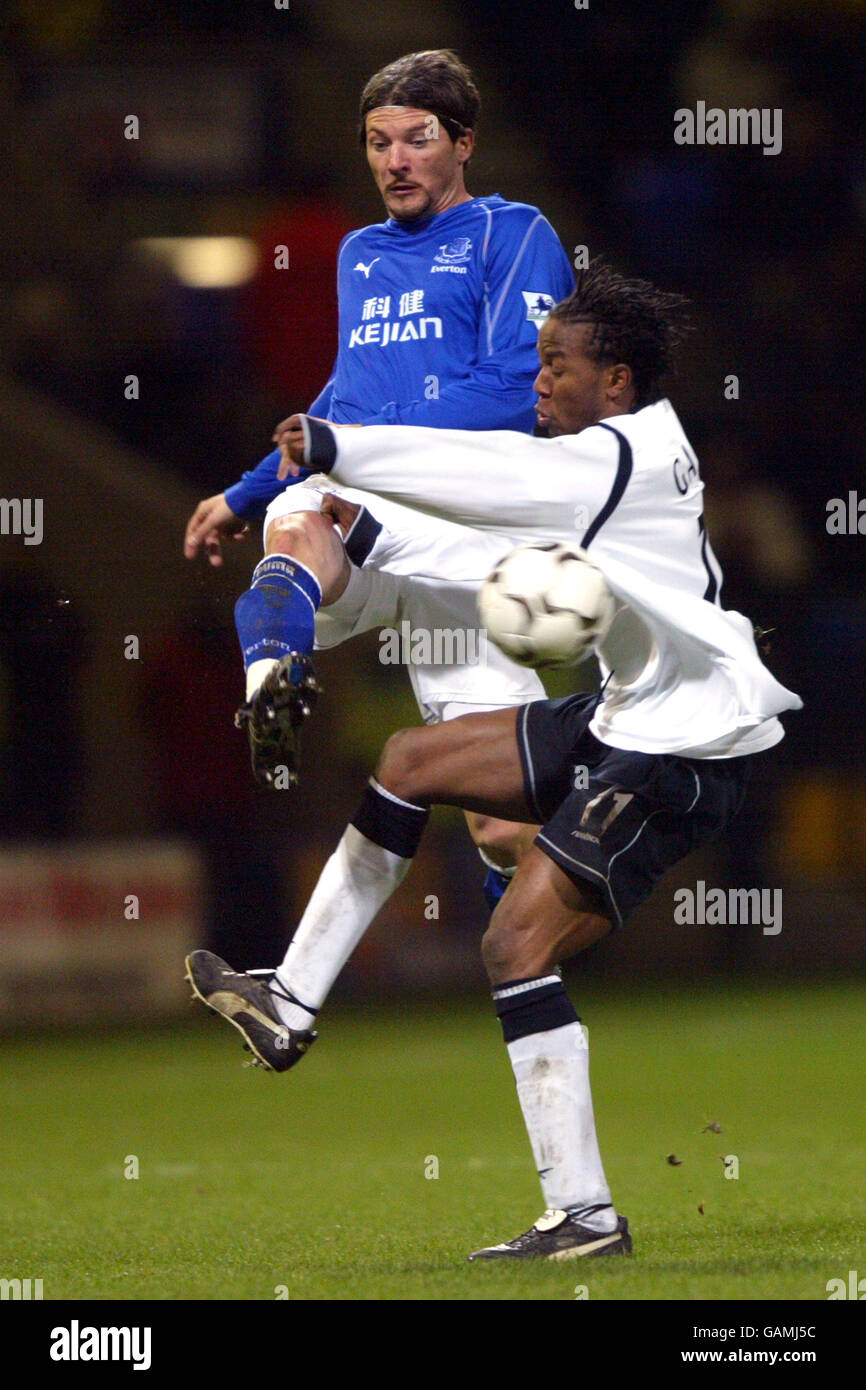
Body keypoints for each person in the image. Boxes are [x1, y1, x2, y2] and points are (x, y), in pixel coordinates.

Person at [186, 261, 802, 1261]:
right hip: (624, 714)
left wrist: (343, 447)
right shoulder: (617, 456)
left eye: (555, 364)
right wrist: (373, 529)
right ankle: (288, 1002)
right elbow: (499, 555)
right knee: (411, 757)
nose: (537, 381)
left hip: (679, 750)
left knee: (512, 947)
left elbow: (497, 483)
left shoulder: (616, 457)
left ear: (615, 380)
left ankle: (585, 1216)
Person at [183, 49, 574, 905]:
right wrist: (243, 491)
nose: (394, 161)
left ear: (463, 142)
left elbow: (519, 387)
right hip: (362, 499)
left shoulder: (515, 235)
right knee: (297, 528)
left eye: (417, 139)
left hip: (467, 526)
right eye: (377, 142)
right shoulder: (359, 252)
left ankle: (546, 957)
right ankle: (274, 675)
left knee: (508, 826)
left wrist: (370, 442)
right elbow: (343, 396)